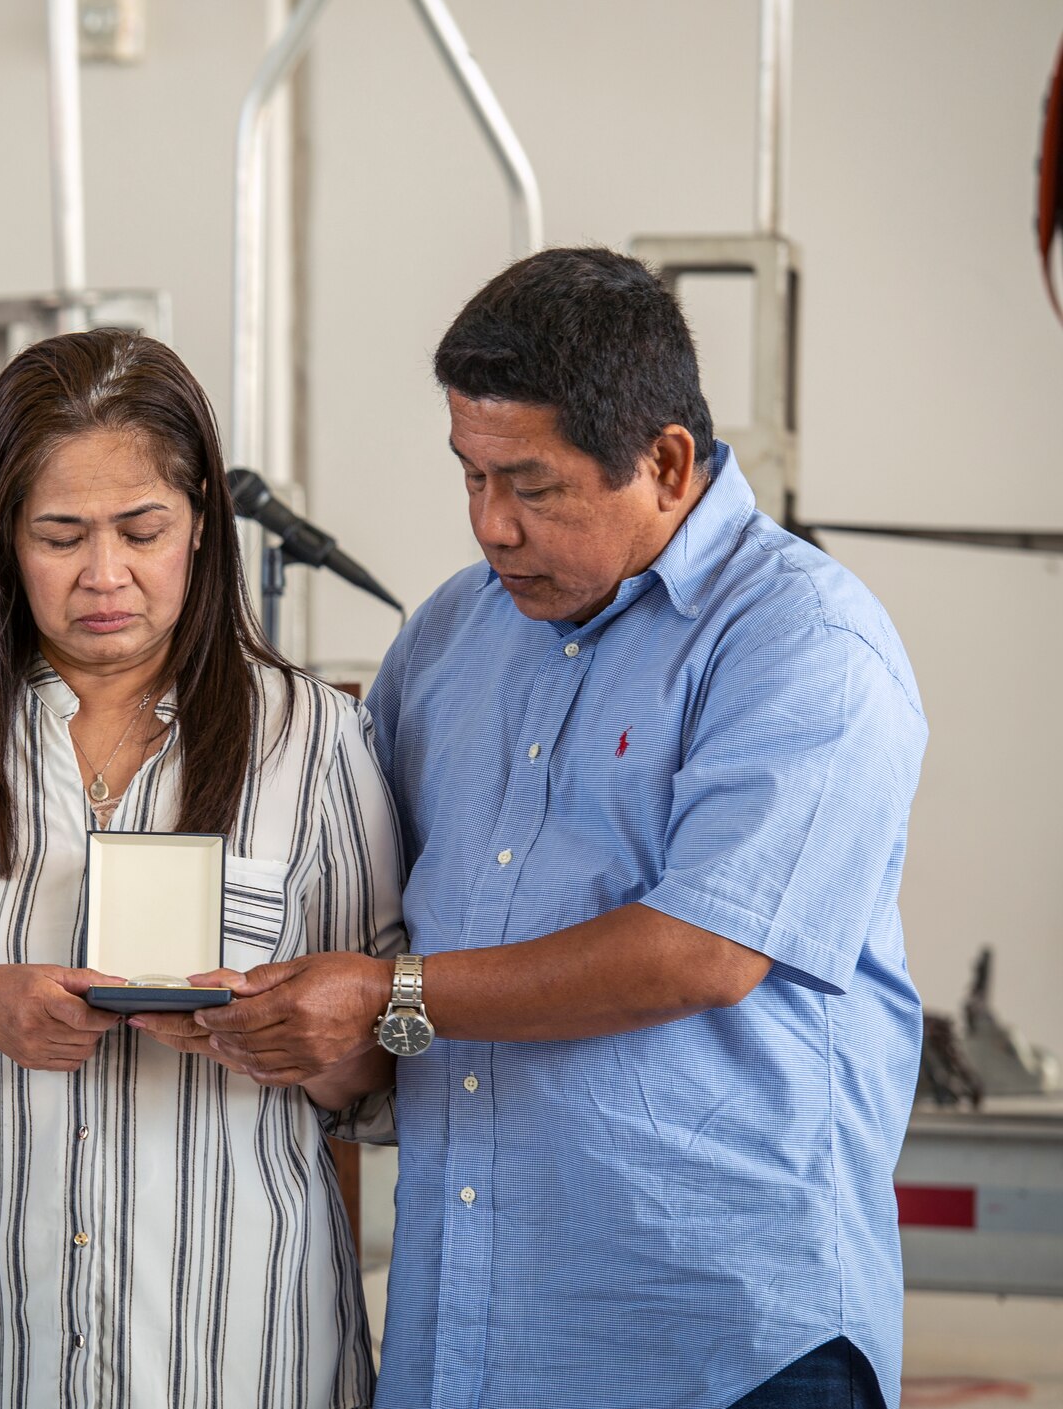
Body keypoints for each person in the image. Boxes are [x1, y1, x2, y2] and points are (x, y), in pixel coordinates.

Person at [197, 248, 927, 1409]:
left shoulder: (802, 644)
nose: (491, 527)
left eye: (531, 488)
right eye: (469, 478)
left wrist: (386, 996)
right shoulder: (450, 637)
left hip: (719, 1349)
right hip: (471, 1332)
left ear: (666, 464)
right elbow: (355, 888)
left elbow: (701, 951)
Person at [0, 328, 405, 1408]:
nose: (103, 576)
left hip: (242, 1357)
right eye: (59, 536)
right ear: (2, 541)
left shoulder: (314, 737)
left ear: (200, 522)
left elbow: (389, 1082)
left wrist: (289, 1037)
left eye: (140, 530)